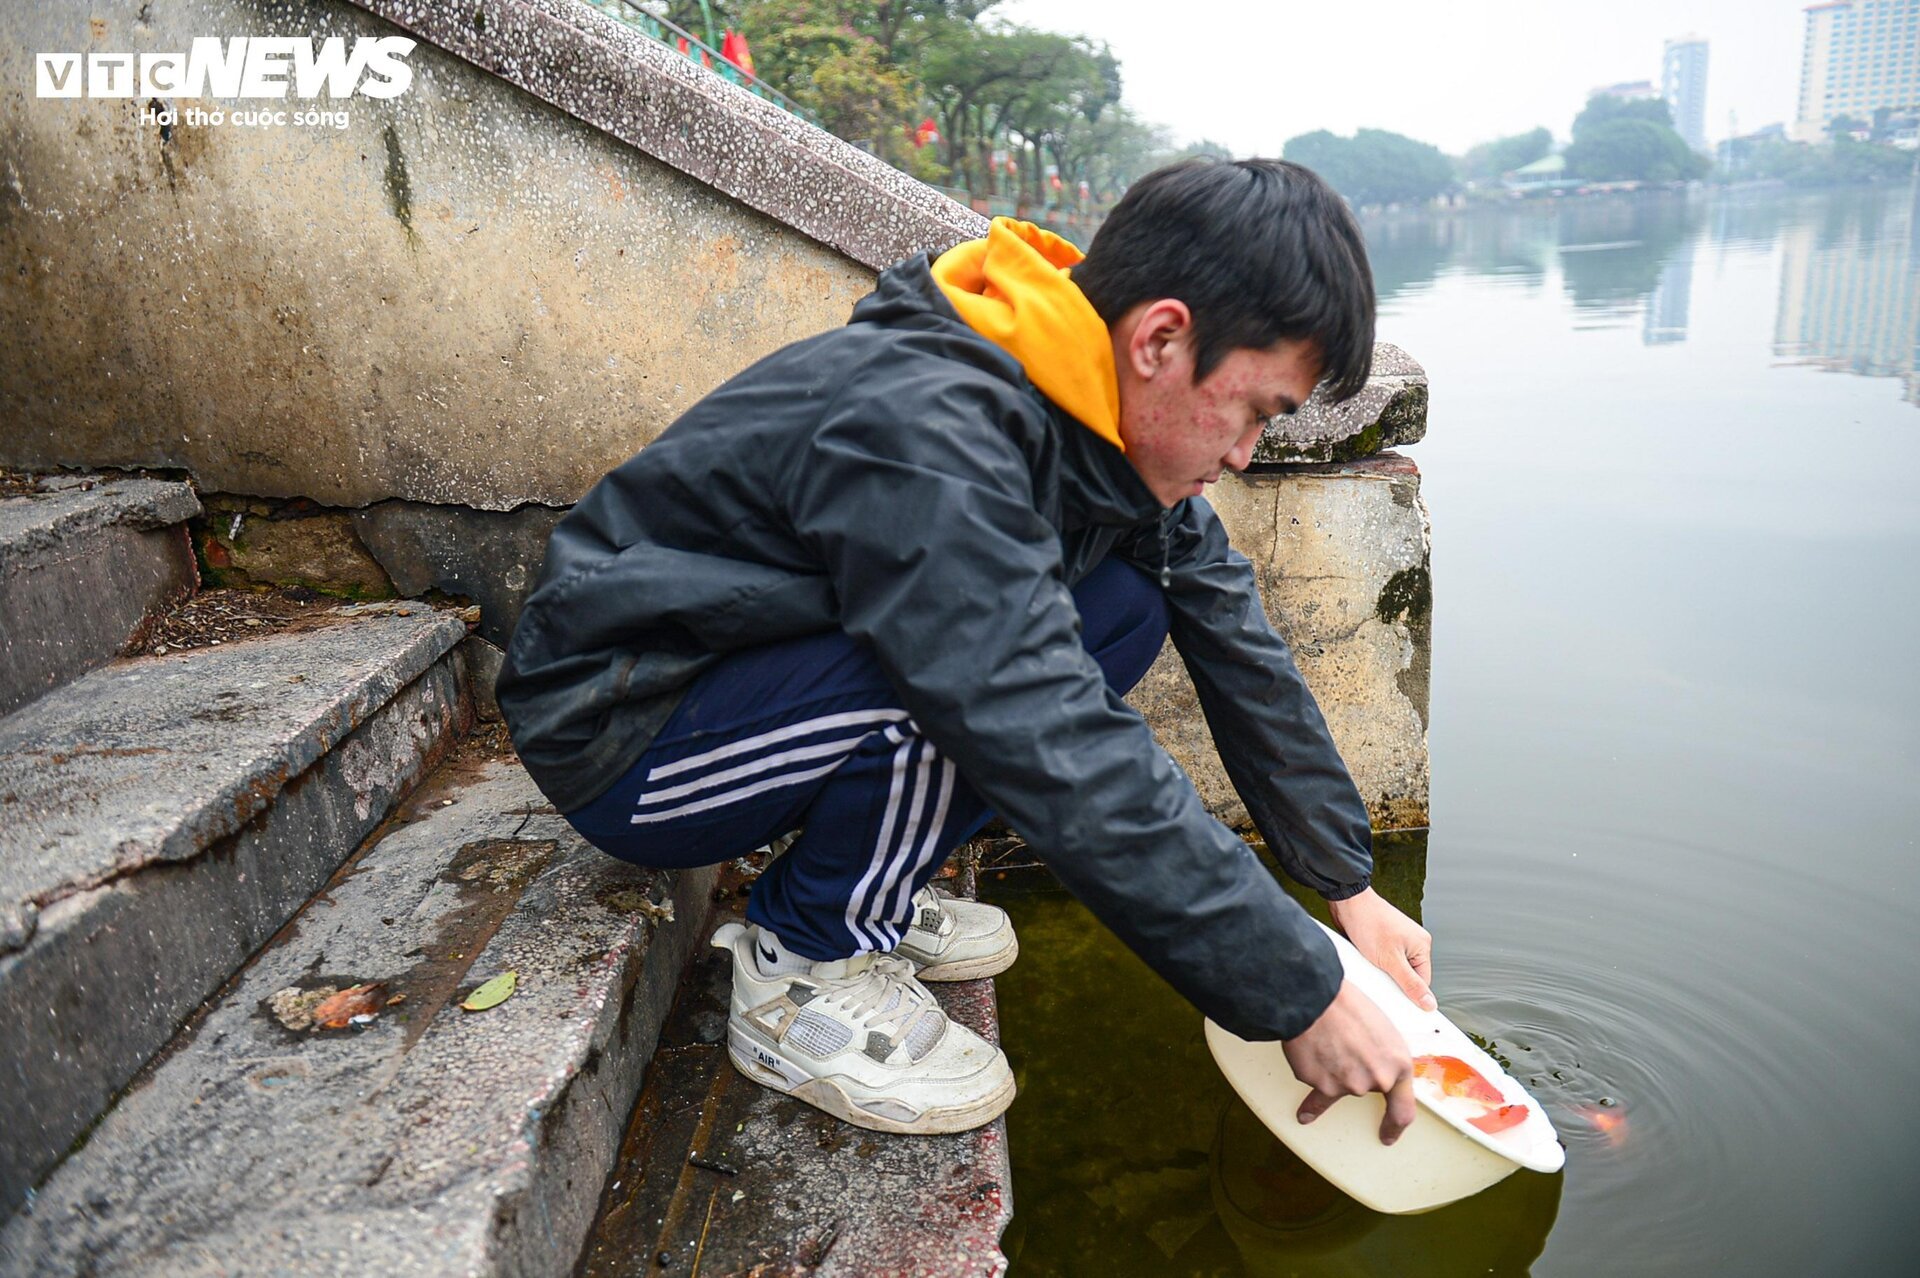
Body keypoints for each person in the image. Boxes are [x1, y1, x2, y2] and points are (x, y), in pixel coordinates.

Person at [497, 158, 1434, 1142]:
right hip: (626, 732)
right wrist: (1299, 989)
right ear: (1161, 338)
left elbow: (1239, 644)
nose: (1244, 453)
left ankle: (869, 887)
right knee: (970, 670)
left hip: (750, 683)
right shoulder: (928, 426)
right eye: (1255, 411)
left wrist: (1348, 891)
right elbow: (1038, 720)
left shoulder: (1093, 425)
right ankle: (800, 963)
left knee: (1121, 608)